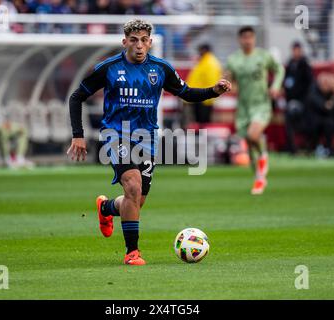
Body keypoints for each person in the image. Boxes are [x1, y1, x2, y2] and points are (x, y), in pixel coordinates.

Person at [67, 19, 231, 266]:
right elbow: (77, 96)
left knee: (136, 200)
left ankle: (107, 208)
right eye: (134, 40)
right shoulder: (109, 68)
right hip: (115, 134)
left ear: (150, 42)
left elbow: (185, 93)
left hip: (147, 139)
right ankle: (132, 252)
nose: (139, 45)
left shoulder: (161, 69)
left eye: (144, 40)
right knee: (132, 187)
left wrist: (213, 92)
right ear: (125, 42)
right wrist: (78, 134)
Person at [226, 26, 285, 195]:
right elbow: (229, 79)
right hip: (243, 108)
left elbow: (280, 69)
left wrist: (275, 86)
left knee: (253, 135)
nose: (247, 40)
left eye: (250, 37)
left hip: (261, 105)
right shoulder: (234, 60)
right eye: (244, 37)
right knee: (250, 147)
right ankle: (259, 177)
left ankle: (264, 157)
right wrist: (225, 81)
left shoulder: (263, 56)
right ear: (240, 40)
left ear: (254, 39)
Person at [283, 41, 314, 154]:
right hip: (291, 101)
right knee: (288, 121)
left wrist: (304, 100)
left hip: (303, 101)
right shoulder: (290, 64)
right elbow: (286, 82)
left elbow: (310, 83)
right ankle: (291, 147)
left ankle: (308, 146)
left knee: (306, 122)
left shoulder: (305, 64)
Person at [186, 43, 223, 124]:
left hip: (204, 99)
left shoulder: (210, 63)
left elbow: (212, 81)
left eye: (200, 50)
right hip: (199, 96)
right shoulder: (204, 61)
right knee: (199, 123)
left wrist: (208, 96)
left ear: (204, 50)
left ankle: (202, 136)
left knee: (203, 123)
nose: (199, 52)